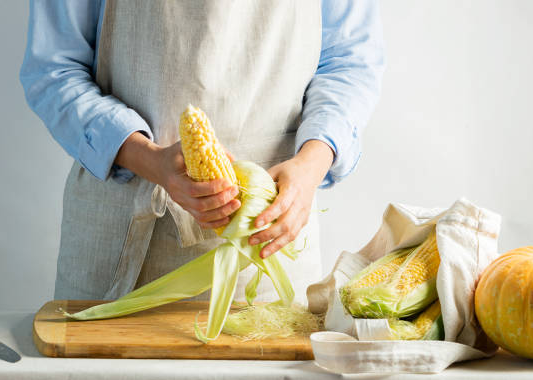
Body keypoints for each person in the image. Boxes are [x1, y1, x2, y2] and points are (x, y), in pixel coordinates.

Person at [20, 0, 384, 304]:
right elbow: (53, 69)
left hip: (271, 236)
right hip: (120, 234)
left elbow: (350, 62)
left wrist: (310, 165)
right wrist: (149, 158)